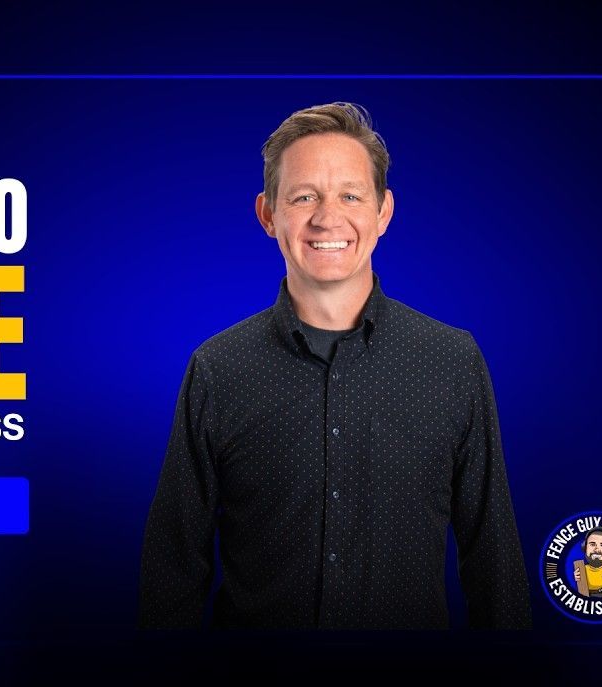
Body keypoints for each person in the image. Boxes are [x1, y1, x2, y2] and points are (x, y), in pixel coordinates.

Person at [137, 101, 532, 630]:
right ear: (267, 214)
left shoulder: (452, 362)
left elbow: (494, 565)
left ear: (383, 213)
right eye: (304, 197)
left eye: (350, 195)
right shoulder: (218, 369)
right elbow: (172, 573)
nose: (328, 217)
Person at [573, 529, 602, 598]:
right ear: (585, 547)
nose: (597, 549)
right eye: (592, 544)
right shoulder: (581, 569)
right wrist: (576, 577)